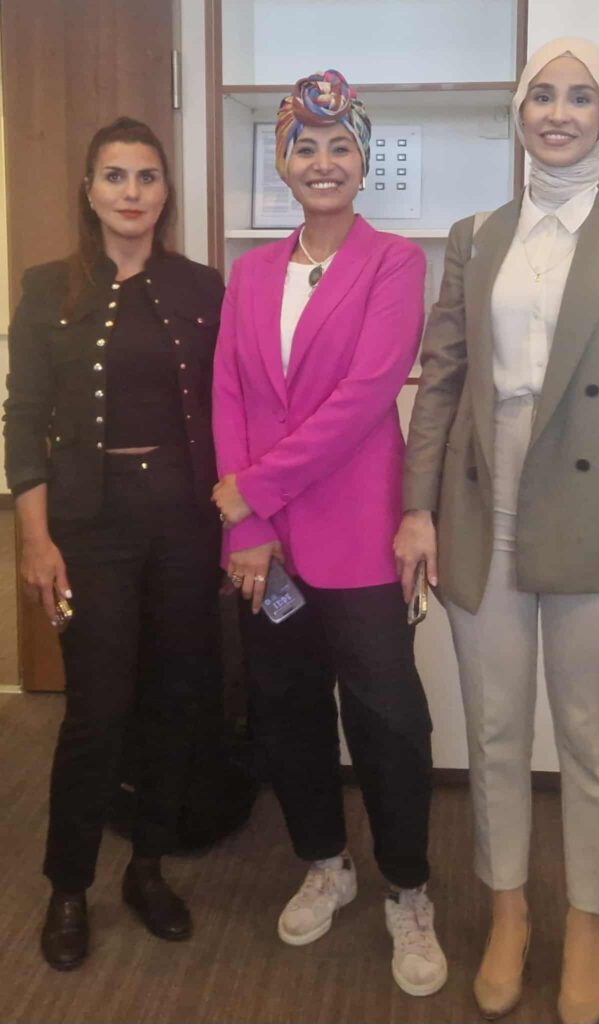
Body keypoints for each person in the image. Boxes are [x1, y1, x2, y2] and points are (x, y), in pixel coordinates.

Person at [394, 38, 599, 1024]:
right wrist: (418, 507)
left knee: (590, 732)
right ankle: (509, 910)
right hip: (484, 507)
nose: (558, 113)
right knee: (495, 727)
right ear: (519, 113)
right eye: (542, 96)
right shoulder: (477, 233)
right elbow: (441, 378)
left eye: (580, 97)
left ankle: (589, 919)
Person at [211, 70, 447, 998]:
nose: (322, 162)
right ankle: (325, 862)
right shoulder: (250, 273)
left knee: (388, 719)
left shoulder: (395, 264)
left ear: (364, 161)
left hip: (358, 536)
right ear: (281, 163)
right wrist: (248, 526)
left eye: (340, 146)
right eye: (304, 147)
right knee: (286, 706)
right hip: (266, 545)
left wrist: (250, 490)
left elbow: (364, 398)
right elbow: (231, 395)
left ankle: (408, 888)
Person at [4, 118, 225, 970]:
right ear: (89, 191)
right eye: (115, 176)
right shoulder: (46, 287)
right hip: (89, 529)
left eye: (146, 176)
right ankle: (68, 886)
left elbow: (233, 405)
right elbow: (23, 418)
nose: (132, 192)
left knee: (174, 699)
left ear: (166, 192)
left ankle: (147, 868)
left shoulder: (202, 287)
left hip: (183, 523)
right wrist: (33, 539)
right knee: (97, 710)